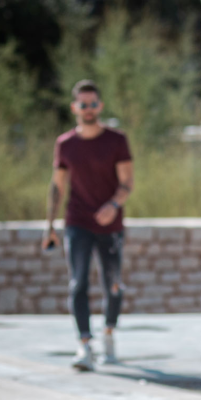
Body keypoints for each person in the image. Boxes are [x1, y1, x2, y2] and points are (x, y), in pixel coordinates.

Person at [43, 79, 133, 370]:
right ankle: (84, 346)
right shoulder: (65, 144)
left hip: (110, 225)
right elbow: (57, 186)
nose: (89, 109)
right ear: (75, 108)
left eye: (93, 104)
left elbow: (127, 182)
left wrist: (113, 205)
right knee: (78, 282)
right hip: (77, 222)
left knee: (113, 286)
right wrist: (50, 226)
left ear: (100, 106)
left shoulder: (116, 140)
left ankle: (108, 335)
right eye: (83, 104)